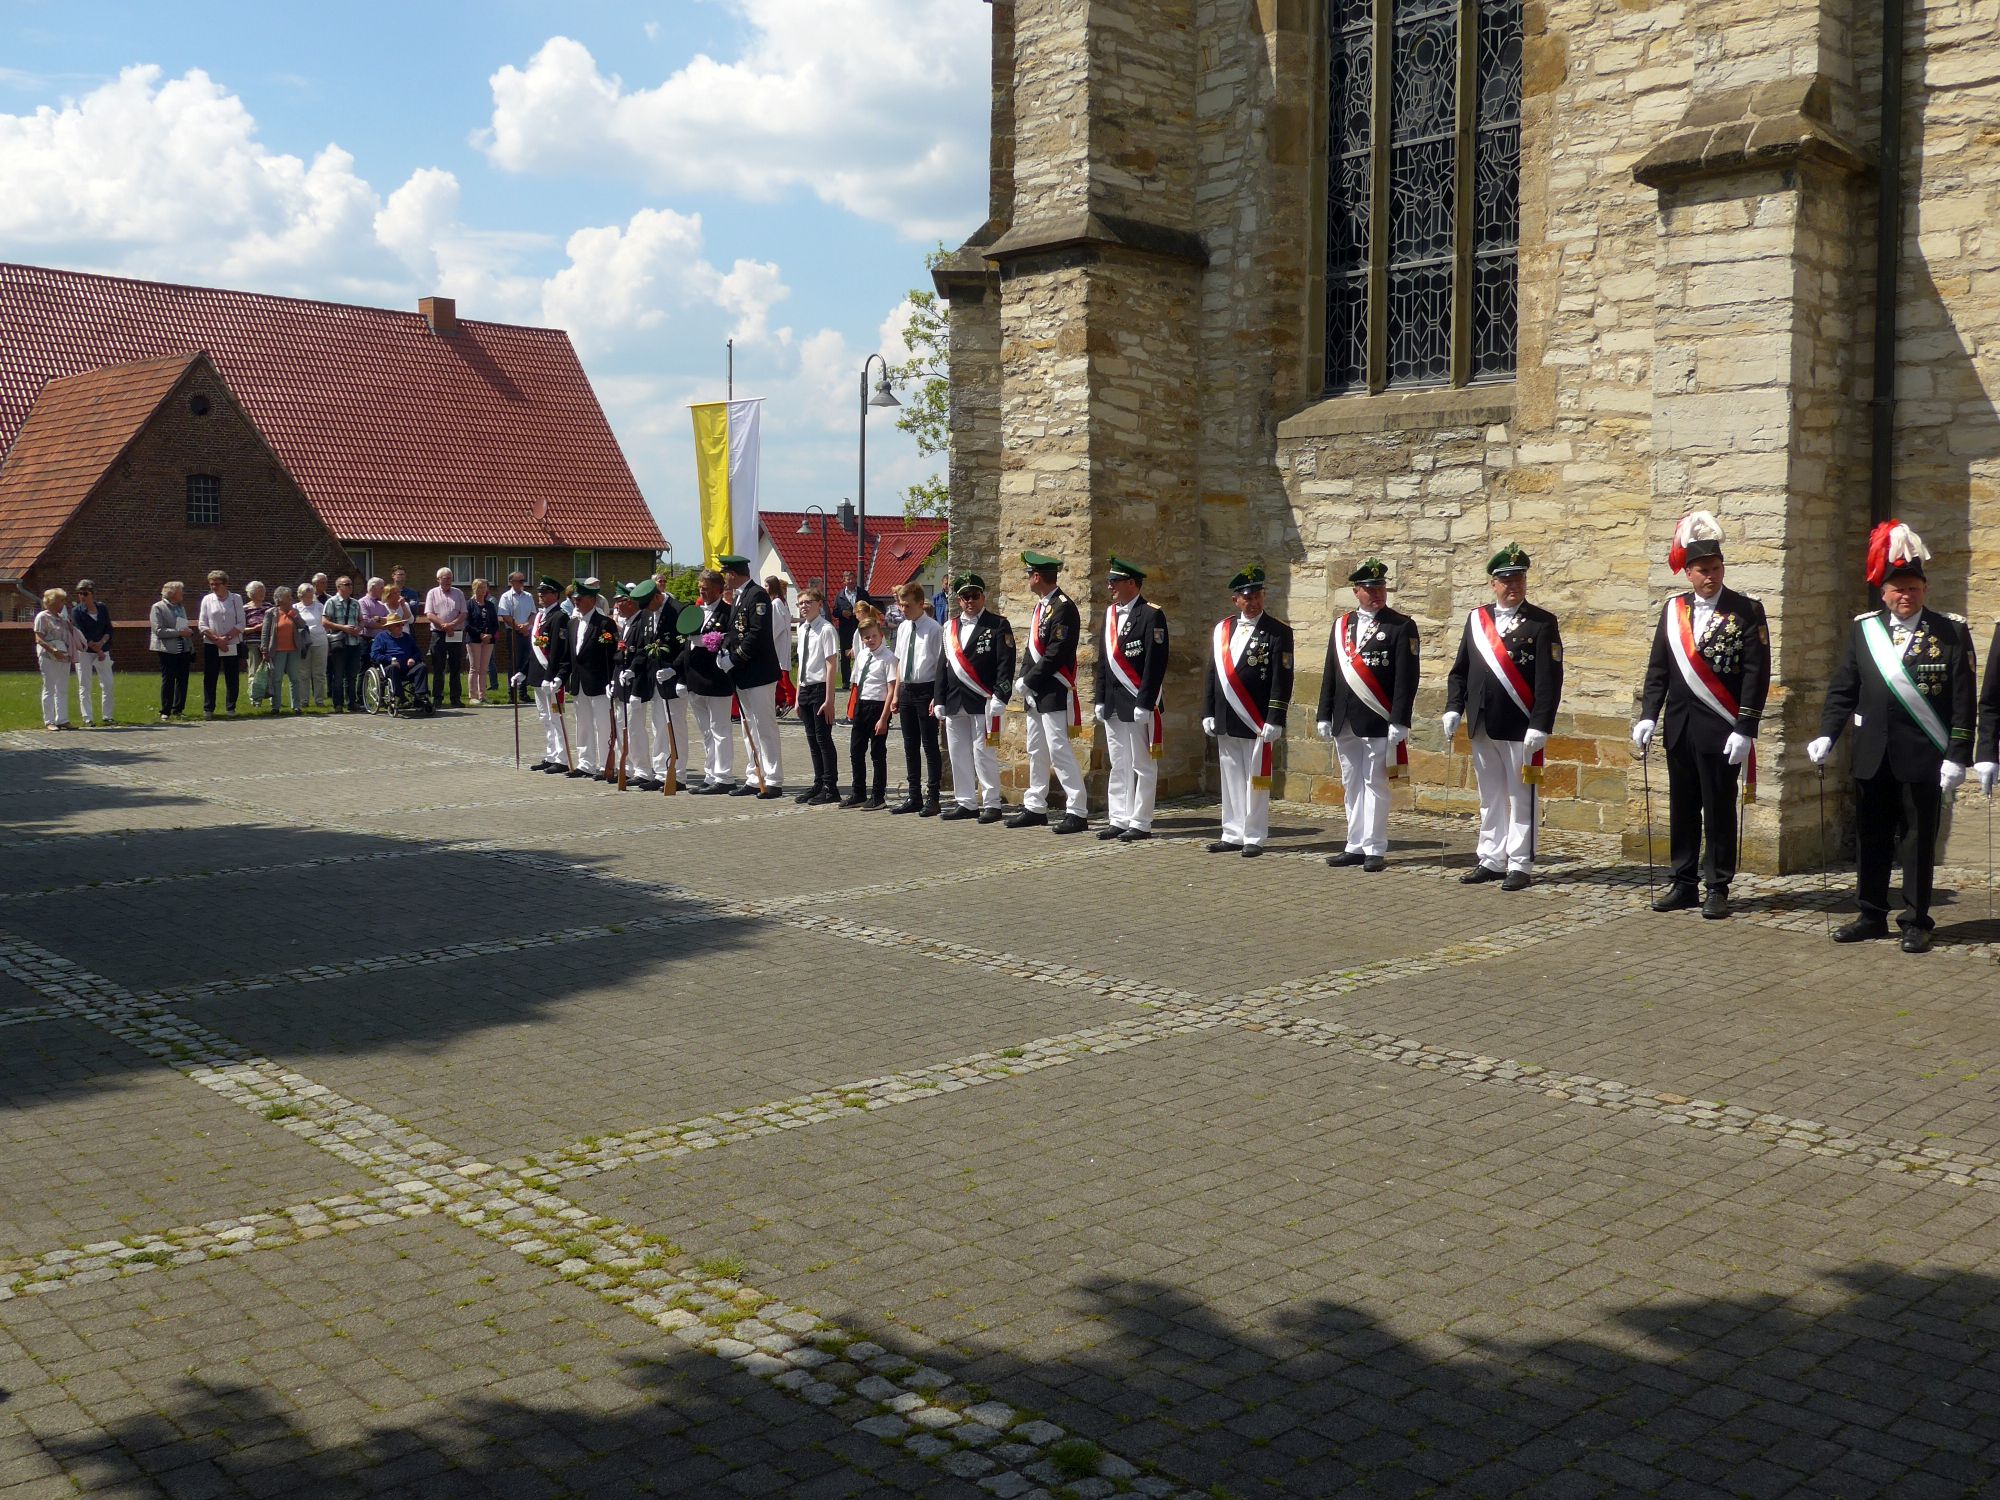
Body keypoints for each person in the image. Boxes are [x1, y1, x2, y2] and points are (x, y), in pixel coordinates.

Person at [1809, 521, 1977, 952]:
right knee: (1872, 837)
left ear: (1925, 590)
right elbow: (1844, 688)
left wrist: (1958, 754)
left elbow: (1964, 699)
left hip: (1924, 755)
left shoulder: (1950, 632)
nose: (1906, 596)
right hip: (1872, 754)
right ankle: (1870, 914)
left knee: (1918, 841)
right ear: (1883, 593)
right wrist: (1827, 733)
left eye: (1913, 588)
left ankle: (1916, 920)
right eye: (1897, 589)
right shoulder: (1864, 630)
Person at [1633, 513, 1771, 920]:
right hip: (1680, 725)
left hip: (1721, 727)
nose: (1710, 576)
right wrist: (1648, 715)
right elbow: (1658, 668)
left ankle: (1718, 886)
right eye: (1702, 570)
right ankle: (1683, 882)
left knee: (1719, 808)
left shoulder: (1746, 610)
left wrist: (1746, 726)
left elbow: (1756, 672)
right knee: (1683, 806)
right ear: (1688, 573)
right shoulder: (1673, 610)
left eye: (1715, 568)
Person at [1442, 544, 1564, 891]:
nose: (1514, 585)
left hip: (1520, 723)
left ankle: (1520, 863)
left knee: (1521, 796)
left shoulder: (1541, 622)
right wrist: (1454, 706)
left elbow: (1549, 680)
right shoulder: (1476, 619)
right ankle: (1491, 859)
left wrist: (1540, 724)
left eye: (1519, 579)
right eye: (1507, 580)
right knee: (1491, 796)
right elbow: (1461, 670)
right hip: (1483, 721)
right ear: (1493, 584)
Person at [1316, 559, 1420, 871]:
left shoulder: (1400, 625)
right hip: (1345, 717)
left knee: (1375, 782)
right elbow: (1331, 672)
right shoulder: (1341, 626)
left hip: (1378, 716)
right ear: (1356, 591)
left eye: (1380, 587)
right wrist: (1324, 714)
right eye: (1370, 589)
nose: (1377, 594)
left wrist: (1400, 719)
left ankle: (1374, 847)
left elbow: (1406, 678)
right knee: (1351, 782)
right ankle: (1355, 844)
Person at [1202, 565, 1293, 856]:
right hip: (1227, 714)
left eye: (1257, 596)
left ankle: (1253, 836)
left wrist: (1275, 717)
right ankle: (1232, 832)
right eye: (1247, 597)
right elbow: (1213, 673)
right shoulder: (1222, 630)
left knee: (1256, 779)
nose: (1253, 602)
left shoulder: (1278, 632)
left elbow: (1282, 679)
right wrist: (1208, 711)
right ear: (1236, 600)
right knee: (1230, 777)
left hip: (1256, 717)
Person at [1011, 550, 1090, 833]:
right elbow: (1031, 649)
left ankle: (1077, 810)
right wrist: (1024, 679)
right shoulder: (1042, 606)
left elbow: (1057, 652)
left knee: (1059, 750)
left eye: (1029, 574)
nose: (1027, 579)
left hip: (1053, 687)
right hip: (1036, 690)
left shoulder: (1063, 607)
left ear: (1037, 576)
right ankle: (1035, 806)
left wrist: (1030, 680)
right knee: (1036, 748)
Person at [1094, 556, 1170, 842]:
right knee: (1119, 763)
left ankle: (1140, 821)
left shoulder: (1151, 615)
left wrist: (1146, 702)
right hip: (1114, 702)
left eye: (1114, 581)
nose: (1109, 586)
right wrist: (1100, 698)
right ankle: (1119, 818)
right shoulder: (1110, 614)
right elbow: (1104, 661)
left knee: (1143, 764)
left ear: (1131, 583)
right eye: (1109, 581)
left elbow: (1155, 663)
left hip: (1137, 700)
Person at [934, 573, 1015, 822]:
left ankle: (992, 803)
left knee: (983, 754)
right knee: (958, 754)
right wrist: (939, 698)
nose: (970, 601)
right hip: (955, 699)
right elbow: (943, 665)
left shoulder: (998, 624)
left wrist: (1001, 694)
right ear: (959, 600)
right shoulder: (949, 627)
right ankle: (966, 802)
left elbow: (1005, 664)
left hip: (983, 699)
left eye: (974, 595)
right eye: (965, 596)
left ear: (983, 597)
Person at [718, 555, 784, 797]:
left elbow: (757, 633)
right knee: (749, 728)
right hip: (744, 673)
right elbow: (734, 631)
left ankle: (773, 779)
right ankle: (755, 776)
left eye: (726, 574)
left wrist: (735, 658)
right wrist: (723, 650)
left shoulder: (757, 595)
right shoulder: (740, 596)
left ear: (734, 574)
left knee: (764, 726)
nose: (725, 579)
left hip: (759, 672)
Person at [890, 581, 944, 815]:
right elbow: (900, 661)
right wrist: (896, 693)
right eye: (901, 605)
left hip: (926, 690)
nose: (903, 610)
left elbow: (941, 666)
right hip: (907, 689)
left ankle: (933, 797)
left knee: (929, 745)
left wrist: (936, 696)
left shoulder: (934, 629)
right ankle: (914, 795)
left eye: (908, 605)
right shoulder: (903, 628)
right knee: (910, 745)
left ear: (921, 604)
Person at [682, 570, 737, 793]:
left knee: (720, 729)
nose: (701, 591)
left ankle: (724, 777)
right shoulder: (695, 611)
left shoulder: (728, 612)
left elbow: (731, 638)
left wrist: (708, 641)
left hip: (716, 679)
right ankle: (711, 773)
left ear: (717, 589)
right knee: (706, 731)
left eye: (705, 588)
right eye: (700, 587)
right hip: (695, 678)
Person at [516, 577, 573, 772]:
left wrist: (552, 676)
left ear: (555, 595)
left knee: (556, 717)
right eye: (540, 592)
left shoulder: (560, 617)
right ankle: (551, 755)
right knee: (545, 718)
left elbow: (558, 651)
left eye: (545, 592)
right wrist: (523, 671)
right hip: (538, 676)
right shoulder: (541, 617)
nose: (540, 595)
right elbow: (535, 649)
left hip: (552, 678)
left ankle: (562, 759)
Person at [844, 602, 897, 808]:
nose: (870, 640)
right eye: (866, 637)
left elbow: (891, 689)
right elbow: (857, 684)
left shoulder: (888, 658)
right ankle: (858, 792)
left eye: (874, 636)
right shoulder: (863, 655)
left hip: (878, 707)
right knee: (856, 751)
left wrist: (884, 718)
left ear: (881, 635)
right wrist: (853, 709)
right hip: (862, 705)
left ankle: (878, 796)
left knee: (877, 753)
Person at [795, 587, 842, 804]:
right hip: (805, 688)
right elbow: (802, 663)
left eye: (808, 602)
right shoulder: (803, 629)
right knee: (812, 739)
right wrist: (798, 696)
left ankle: (830, 787)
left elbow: (831, 664)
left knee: (823, 738)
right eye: (800, 603)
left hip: (820, 688)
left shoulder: (826, 629)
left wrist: (829, 699)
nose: (804, 606)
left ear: (819, 604)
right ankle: (818, 782)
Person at [566, 579, 617, 779]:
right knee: (583, 725)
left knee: (603, 726)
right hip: (579, 683)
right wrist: (562, 677)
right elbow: (570, 655)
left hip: (599, 683)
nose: (576, 602)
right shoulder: (573, 623)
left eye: (580, 599)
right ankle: (585, 763)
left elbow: (611, 655)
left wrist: (611, 681)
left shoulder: (604, 623)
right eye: (575, 599)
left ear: (593, 600)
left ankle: (606, 765)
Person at [612, 582, 659, 789]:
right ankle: (628, 767)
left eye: (619, 602)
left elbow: (642, 652)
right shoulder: (628, 623)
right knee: (622, 725)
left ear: (630, 602)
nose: (616, 607)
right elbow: (620, 655)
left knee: (634, 728)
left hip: (637, 683)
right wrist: (613, 680)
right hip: (623, 682)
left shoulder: (642, 621)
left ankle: (643, 770)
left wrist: (632, 669)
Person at [644, 580, 688, 792]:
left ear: (657, 596)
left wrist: (676, 671)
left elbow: (686, 646)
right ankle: (661, 771)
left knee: (675, 726)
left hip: (674, 677)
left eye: (649, 604)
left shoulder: (678, 610)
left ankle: (678, 773)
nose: (648, 609)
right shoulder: (650, 613)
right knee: (658, 726)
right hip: (656, 677)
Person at [67, 580, 115, 727]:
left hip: (103, 648)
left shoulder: (102, 608)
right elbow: (82, 634)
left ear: (92, 593)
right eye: (79, 593)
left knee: (108, 684)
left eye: (85, 593)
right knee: (85, 684)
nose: (82, 596)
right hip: (85, 652)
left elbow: (108, 628)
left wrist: (102, 644)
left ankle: (108, 716)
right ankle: (87, 717)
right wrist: (97, 649)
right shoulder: (77, 611)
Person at [198, 570, 246, 717]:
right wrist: (217, 640)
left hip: (231, 643)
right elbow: (202, 624)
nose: (214, 587)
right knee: (210, 676)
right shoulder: (207, 599)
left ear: (225, 584)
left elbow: (241, 623)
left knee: (232, 676)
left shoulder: (236, 599)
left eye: (217, 584)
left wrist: (226, 638)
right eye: (211, 584)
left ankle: (231, 708)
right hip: (212, 644)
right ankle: (208, 708)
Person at [149, 580, 196, 720]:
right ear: (172, 593)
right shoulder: (158, 607)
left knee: (183, 680)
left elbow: (182, 626)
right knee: (168, 680)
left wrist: (187, 634)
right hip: (167, 649)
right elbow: (158, 630)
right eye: (180, 591)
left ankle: (178, 709)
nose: (182, 594)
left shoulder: (180, 607)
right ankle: (166, 710)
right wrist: (179, 633)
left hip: (183, 647)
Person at [424, 567, 469, 707]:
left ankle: (455, 698)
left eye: (450, 578)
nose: (448, 581)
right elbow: (429, 614)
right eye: (445, 578)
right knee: (438, 667)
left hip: (455, 632)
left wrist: (452, 625)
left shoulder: (458, 593)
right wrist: (444, 625)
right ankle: (438, 698)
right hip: (438, 633)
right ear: (438, 579)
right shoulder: (432, 593)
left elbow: (464, 613)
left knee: (456, 666)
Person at [260, 584, 307, 714]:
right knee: (277, 679)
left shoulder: (294, 611)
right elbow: (265, 633)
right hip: (277, 651)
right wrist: (264, 650)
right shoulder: (271, 613)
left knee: (295, 678)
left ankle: (296, 706)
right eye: (288, 596)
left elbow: (302, 625)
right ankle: (276, 706)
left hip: (294, 650)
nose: (291, 598)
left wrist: (295, 616)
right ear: (280, 599)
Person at [33, 587, 75, 730]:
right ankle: (49, 721)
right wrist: (53, 650)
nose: (63, 603)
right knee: (49, 687)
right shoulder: (42, 617)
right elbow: (39, 638)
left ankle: (62, 719)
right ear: (52, 601)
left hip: (64, 656)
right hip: (49, 656)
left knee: (62, 688)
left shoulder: (63, 618)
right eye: (61, 600)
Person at [323, 576, 365, 712]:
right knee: (338, 675)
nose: (350, 586)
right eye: (347, 584)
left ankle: (351, 702)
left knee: (352, 675)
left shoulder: (355, 603)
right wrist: (343, 628)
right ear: (338, 587)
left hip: (354, 643)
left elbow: (361, 620)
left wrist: (359, 628)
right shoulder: (331, 602)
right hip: (339, 644)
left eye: (351, 584)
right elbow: (325, 622)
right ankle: (338, 704)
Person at [369, 613, 427, 707]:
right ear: (389, 627)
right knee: (394, 667)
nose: (401, 627)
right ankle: (401, 698)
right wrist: (391, 659)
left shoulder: (407, 637)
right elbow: (374, 655)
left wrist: (413, 658)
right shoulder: (381, 637)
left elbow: (417, 652)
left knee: (422, 667)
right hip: (390, 668)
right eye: (397, 625)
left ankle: (420, 696)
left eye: (402, 624)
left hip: (407, 668)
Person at [497, 571, 536, 704]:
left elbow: (533, 613)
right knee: (514, 663)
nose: (522, 583)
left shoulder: (528, 596)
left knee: (526, 662)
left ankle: (523, 693)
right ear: (511, 582)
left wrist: (527, 626)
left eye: (523, 581)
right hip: (513, 633)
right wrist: (519, 627)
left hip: (527, 633)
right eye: (519, 581)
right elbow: (505, 615)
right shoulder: (506, 597)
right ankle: (512, 694)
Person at [296, 582, 329, 708]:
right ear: (301, 595)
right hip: (303, 643)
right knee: (303, 673)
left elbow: (325, 622)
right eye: (306, 595)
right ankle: (303, 700)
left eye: (311, 595)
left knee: (319, 673)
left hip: (320, 642)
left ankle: (319, 700)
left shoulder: (320, 606)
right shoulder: (295, 607)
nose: (309, 597)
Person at [767, 575, 796, 717]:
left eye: (767, 585)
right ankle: (780, 701)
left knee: (781, 675)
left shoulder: (776, 603)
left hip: (777, 643)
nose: (765, 588)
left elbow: (776, 626)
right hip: (781, 642)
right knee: (777, 676)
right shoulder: (781, 602)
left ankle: (791, 699)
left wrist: (766, 639)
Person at [242, 581, 268, 706]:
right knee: (254, 671)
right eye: (259, 591)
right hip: (252, 643)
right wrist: (255, 629)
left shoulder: (269, 607)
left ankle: (272, 697)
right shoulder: (245, 609)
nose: (262, 593)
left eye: (263, 590)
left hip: (268, 643)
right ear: (251, 593)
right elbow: (240, 628)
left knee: (271, 671)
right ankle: (255, 699)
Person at [833, 571, 859, 693]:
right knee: (845, 655)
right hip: (845, 629)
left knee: (861, 652)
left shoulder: (862, 593)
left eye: (852, 579)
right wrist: (842, 613)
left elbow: (869, 607)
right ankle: (845, 681)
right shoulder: (840, 595)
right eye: (848, 579)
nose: (851, 581)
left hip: (860, 627)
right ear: (844, 581)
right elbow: (835, 612)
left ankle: (859, 679)